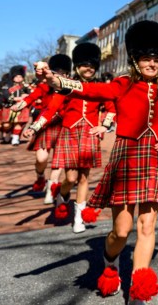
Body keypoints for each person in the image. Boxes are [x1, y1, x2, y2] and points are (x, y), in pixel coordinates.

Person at [45, 21, 158, 304]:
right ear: (136, 60)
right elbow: (91, 91)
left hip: (154, 159)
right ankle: (109, 263)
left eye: (156, 59)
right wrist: (59, 82)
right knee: (121, 232)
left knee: (147, 227)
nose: (152, 63)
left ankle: (139, 290)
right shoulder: (122, 85)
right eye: (146, 58)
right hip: (126, 159)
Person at [37, 43, 116, 233]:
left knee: (83, 178)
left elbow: (111, 109)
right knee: (70, 178)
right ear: (77, 66)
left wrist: (103, 125)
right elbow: (52, 108)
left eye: (92, 65)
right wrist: (35, 126)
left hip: (89, 133)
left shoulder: (99, 87)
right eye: (84, 64)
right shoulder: (67, 85)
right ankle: (62, 195)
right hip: (70, 132)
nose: (88, 68)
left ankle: (79, 217)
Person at [17, 54, 71, 204]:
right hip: (45, 123)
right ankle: (40, 176)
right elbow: (31, 98)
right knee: (41, 159)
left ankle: (51, 186)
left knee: (58, 161)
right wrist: (20, 105)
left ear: (67, 74)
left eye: (63, 73)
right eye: (57, 72)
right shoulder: (44, 86)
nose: (60, 75)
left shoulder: (71, 86)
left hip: (64, 126)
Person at [1, 65, 31, 145]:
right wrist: (14, 99)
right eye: (16, 76)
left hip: (21, 107)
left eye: (20, 76)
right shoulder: (6, 86)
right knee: (6, 124)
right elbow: (5, 95)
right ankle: (8, 133)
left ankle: (15, 138)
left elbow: (30, 95)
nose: (18, 78)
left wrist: (26, 96)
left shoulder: (25, 86)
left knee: (18, 123)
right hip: (9, 107)